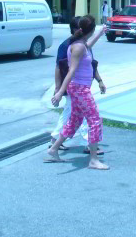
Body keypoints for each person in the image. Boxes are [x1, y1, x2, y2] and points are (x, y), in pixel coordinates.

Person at [45, 16, 109, 170]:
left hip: (80, 87)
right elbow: (71, 71)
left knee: (74, 121)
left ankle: (54, 149)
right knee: (94, 120)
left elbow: (88, 46)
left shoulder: (81, 45)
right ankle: (93, 160)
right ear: (90, 29)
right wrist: (60, 92)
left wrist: (100, 34)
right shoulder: (78, 47)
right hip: (80, 88)